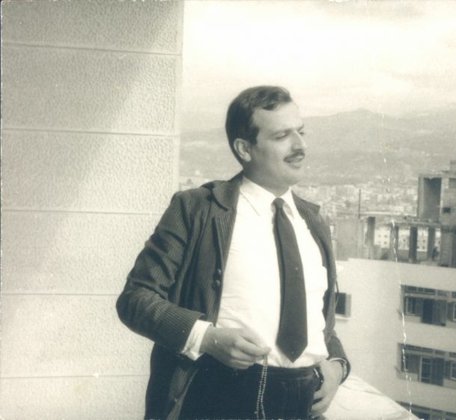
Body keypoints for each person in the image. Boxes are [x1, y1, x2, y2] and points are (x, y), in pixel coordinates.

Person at [116, 85, 350, 420]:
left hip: (304, 401)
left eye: (301, 131)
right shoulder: (198, 209)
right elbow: (135, 299)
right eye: (283, 135)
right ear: (245, 148)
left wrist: (338, 364)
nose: (301, 146)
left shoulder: (312, 221)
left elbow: (315, 316)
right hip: (220, 396)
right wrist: (208, 338)